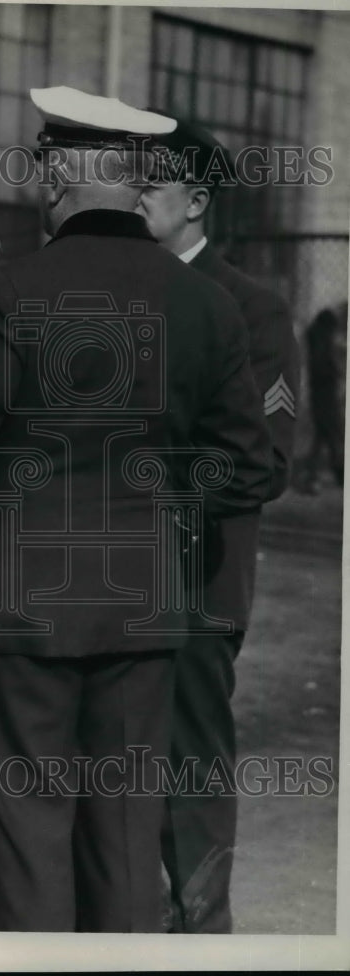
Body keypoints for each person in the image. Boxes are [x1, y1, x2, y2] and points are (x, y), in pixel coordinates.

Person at [0, 87, 274, 932]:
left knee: (24, 833)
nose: (41, 181)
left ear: (66, 171)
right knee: (121, 831)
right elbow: (249, 469)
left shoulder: (12, 289)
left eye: (45, 164)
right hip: (146, 613)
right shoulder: (205, 304)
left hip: (20, 609)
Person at [134, 114, 299, 933]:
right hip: (109, 579)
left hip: (198, 576)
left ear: (197, 200)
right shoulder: (112, 290)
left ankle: (202, 932)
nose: (130, 200)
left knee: (189, 762)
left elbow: (260, 462)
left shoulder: (253, 310)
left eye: (148, 187)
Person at [304, 307, 344, 491]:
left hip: (319, 396)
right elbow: (329, 369)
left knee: (323, 436)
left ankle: (318, 475)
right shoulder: (324, 343)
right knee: (333, 435)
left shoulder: (315, 339)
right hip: (327, 396)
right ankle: (335, 473)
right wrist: (338, 372)